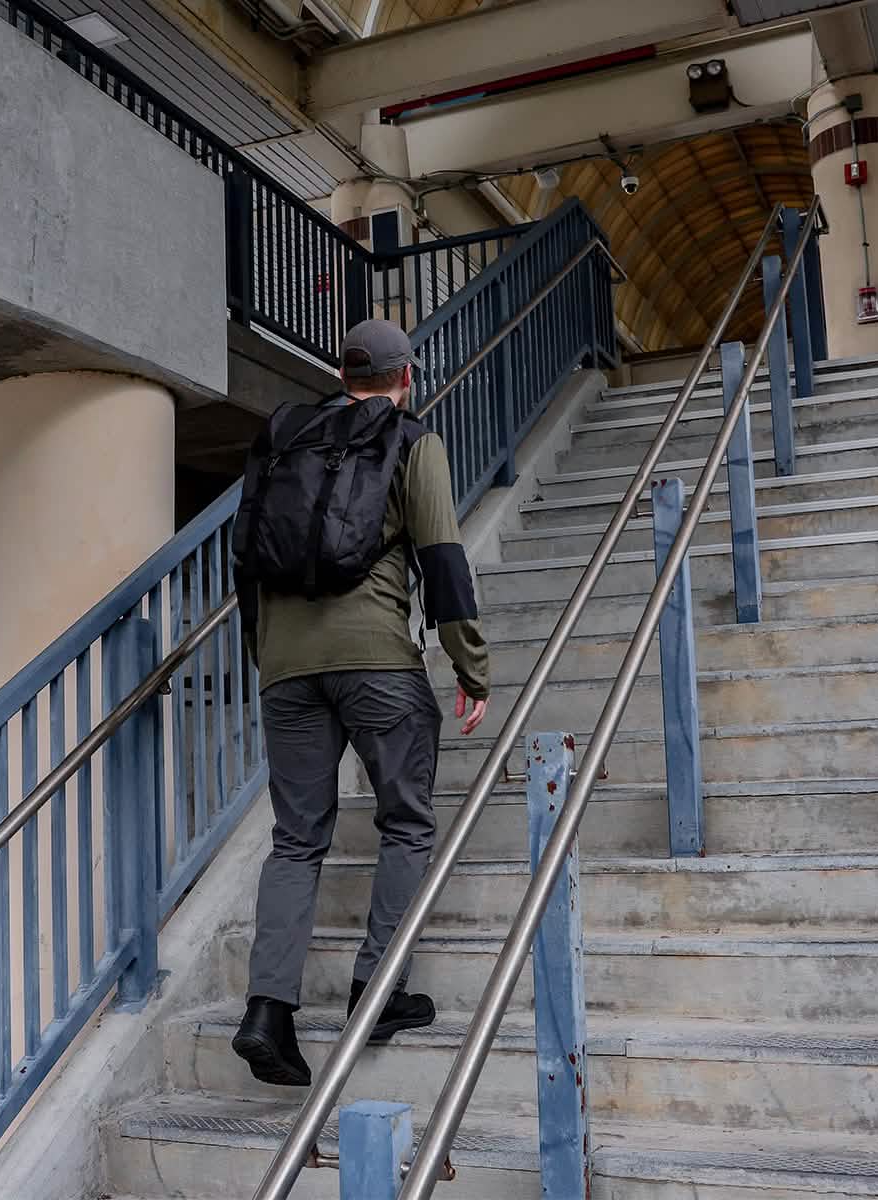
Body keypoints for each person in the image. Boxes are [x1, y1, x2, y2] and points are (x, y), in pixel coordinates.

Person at [231, 318, 490, 1087]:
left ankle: (267, 1012)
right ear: (405, 377)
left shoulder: (283, 440)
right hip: (377, 663)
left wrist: (269, 660)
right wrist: (470, 666)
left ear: (343, 375)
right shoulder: (412, 441)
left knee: (296, 841)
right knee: (406, 822)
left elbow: (246, 558)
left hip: (285, 667)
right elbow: (442, 559)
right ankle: (376, 994)